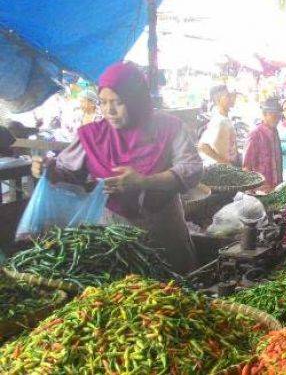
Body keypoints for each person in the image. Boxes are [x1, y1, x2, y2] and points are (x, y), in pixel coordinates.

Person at [31, 61, 201, 274]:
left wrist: (144, 181)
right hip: (113, 233)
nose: (109, 110)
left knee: (173, 292)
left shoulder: (168, 127)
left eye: (118, 102)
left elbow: (192, 168)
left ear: (136, 100)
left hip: (163, 229)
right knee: (121, 295)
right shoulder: (92, 135)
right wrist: (49, 170)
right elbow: (68, 172)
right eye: (103, 102)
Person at [242, 98, 283, 192]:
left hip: (277, 188)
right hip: (260, 190)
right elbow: (246, 167)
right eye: (274, 115)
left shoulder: (275, 132)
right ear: (264, 114)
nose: (277, 119)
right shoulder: (255, 135)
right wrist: (252, 189)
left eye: (279, 115)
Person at [198, 85, 238, 166]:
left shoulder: (224, 119)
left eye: (232, 95)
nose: (232, 98)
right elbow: (203, 146)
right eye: (227, 96)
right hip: (219, 170)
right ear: (218, 100)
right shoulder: (219, 121)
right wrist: (225, 163)